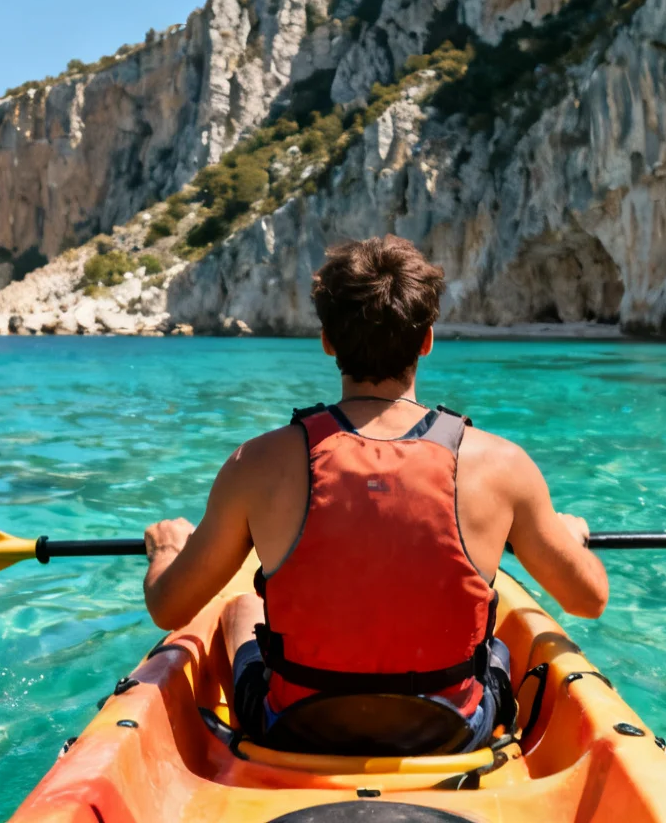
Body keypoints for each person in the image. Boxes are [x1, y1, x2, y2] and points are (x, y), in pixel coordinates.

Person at [141, 234, 608, 754]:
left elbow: (168, 607)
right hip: (452, 733)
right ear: (427, 339)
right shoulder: (501, 465)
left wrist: (166, 552)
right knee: (500, 642)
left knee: (242, 608)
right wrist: (570, 538)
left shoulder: (256, 463)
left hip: (297, 729)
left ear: (327, 341)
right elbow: (588, 599)